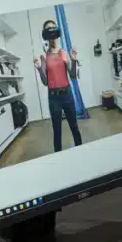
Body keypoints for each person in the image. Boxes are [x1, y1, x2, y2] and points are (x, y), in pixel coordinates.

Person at [34, 19, 83, 152]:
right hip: (53, 98)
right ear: (45, 34)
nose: (52, 31)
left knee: (74, 127)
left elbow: (72, 76)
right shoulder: (44, 56)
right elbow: (45, 82)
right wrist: (39, 69)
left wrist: (73, 59)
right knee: (57, 131)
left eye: (53, 28)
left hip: (67, 95)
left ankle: (81, 153)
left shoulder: (64, 53)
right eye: (48, 29)